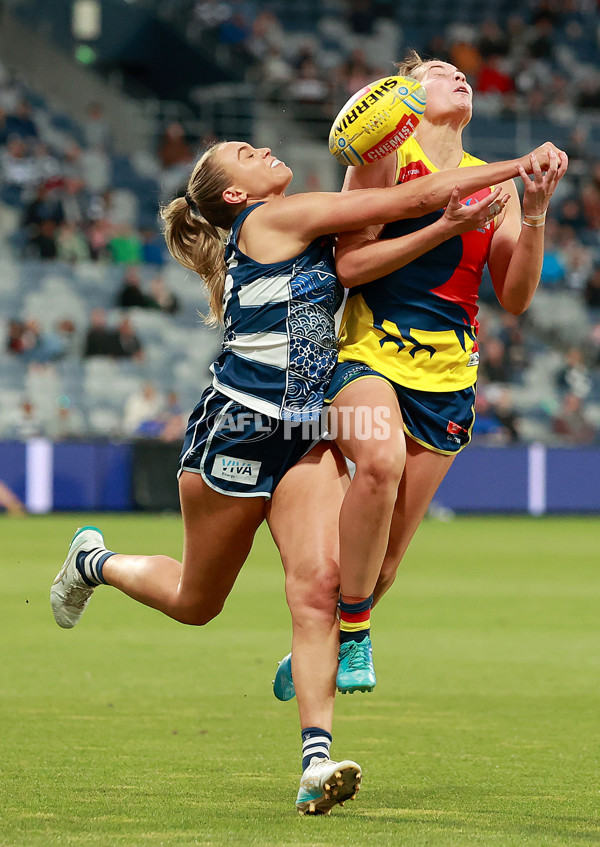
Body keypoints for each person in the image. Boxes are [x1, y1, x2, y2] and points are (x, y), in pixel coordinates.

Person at [50, 136, 548, 814]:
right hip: (237, 432)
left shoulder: (299, 224)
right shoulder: (267, 221)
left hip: (304, 434)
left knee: (317, 589)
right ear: (236, 195)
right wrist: (515, 168)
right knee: (198, 601)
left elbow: (381, 243)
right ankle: (94, 560)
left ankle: (316, 760)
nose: (264, 150)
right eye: (247, 153)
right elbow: (406, 196)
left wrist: (444, 228)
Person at [274, 52, 568, 700]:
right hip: (366, 351)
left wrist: (538, 210)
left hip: (448, 373)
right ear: (404, 92)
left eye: (460, 71)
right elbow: (350, 267)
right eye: (437, 69)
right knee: (379, 463)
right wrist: (442, 228)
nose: (457, 73)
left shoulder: (496, 184)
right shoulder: (382, 157)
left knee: (384, 566)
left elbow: (514, 296)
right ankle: (352, 635)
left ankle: (321, 636)